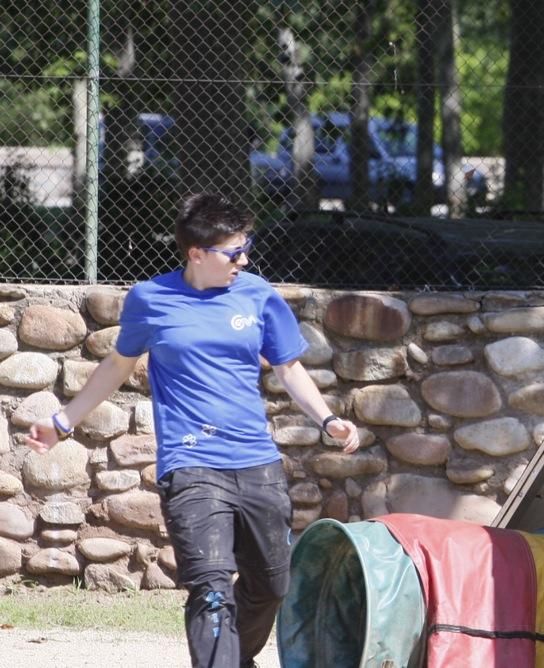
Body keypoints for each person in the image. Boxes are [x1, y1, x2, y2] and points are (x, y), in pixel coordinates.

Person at [26, 192, 361, 668]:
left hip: (256, 462)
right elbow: (118, 365)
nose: (243, 260)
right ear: (197, 254)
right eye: (233, 252)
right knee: (210, 588)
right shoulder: (151, 298)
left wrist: (327, 418)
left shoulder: (257, 294)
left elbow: (288, 369)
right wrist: (63, 421)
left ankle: (234, 657)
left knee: (272, 583)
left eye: (246, 248)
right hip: (190, 464)